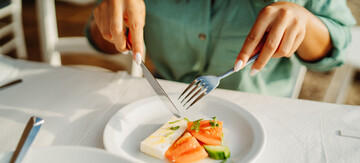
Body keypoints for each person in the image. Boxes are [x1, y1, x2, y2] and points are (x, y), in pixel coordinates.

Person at [86, 0, 356, 97]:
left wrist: (306, 23)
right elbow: (99, 39)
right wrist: (112, 27)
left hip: (263, 114)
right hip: (165, 100)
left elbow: (340, 47)